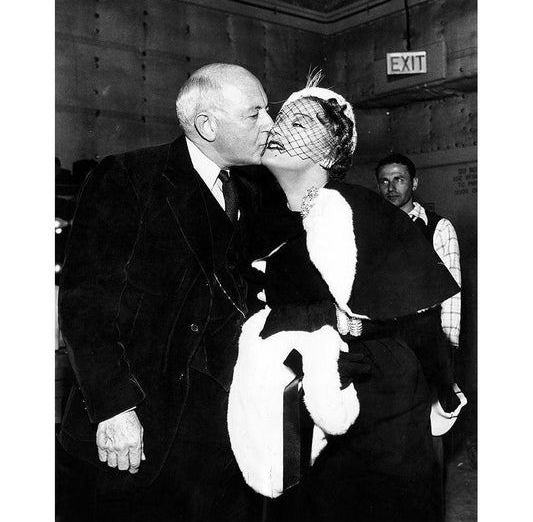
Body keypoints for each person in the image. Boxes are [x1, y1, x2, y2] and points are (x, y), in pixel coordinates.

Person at [227, 75, 460, 522]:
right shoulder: (265, 216)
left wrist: (445, 394)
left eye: (299, 124)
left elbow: (416, 319)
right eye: (281, 119)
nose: (277, 128)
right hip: (304, 411)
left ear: (331, 154)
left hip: (377, 411)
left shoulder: (362, 212)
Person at [57, 63, 273, 522]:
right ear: (207, 125)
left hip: (221, 432)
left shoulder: (250, 193)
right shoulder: (128, 177)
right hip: (139, 429)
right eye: (255, 114)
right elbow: (84, 304)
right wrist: (115, 409)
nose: (269, 125)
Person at [375, 153, 465, 518]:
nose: (391, 187)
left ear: (414, 183)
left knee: (430, 440)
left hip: (427, 348)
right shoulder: (371, 226)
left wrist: (446, 355)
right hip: (383, 349)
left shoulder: (438, 228)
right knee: (389, 445)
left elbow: (452, 293)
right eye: (384, 181)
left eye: (399, 179)